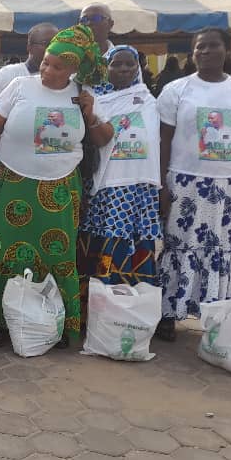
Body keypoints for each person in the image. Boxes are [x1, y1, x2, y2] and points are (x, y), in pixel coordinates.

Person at [0, 25, 111, 348]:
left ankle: (55, 322)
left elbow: (104, 138)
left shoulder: (82, 95)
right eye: (46, 62)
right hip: (13, 183)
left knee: (58, 253)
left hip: (61, 189)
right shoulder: (20, 86)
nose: (48, 70)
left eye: (57, 66)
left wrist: (90, 115)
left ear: (74, 69)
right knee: (4, 252)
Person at [156, 28, 231, 341]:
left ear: (228, 51)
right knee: (179, 248)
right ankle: (168, 313)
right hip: (186, 187)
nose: (205, 52)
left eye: (213, 46)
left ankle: (219, 315)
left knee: (226, 251)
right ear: (192, 54)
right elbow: (163, 140)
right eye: (199, 48)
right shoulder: (177, 90)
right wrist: (162, 187)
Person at [78, 45, 161, 297]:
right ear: (106, 68)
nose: (124, 69)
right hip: (107, 188)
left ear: (138, 68)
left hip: (139, 189)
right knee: (106, 243)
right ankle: (103, 303)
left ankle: (135, 305)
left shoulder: (149, 100)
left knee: (136, 244)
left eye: (130, 64)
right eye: (116, 64)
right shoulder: (93, 100)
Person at [0, 23, 58, 128]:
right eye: (47, 43)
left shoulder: (66, 79)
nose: (53, 48)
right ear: (29, 47)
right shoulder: (11, 73)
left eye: (57, 43)